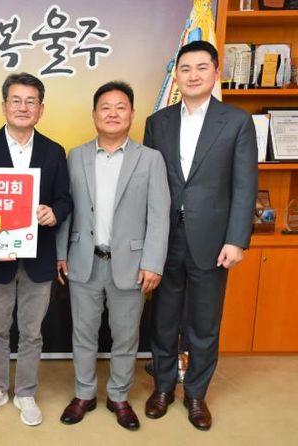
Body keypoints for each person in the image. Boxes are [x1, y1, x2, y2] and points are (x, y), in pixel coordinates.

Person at [143, 40, 257, 431]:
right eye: (185, 69)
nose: (193, 75)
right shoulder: (158, 122)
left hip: (213, 239)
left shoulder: (237, 121)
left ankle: (195, 394)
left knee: (204, 323)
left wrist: (237, 239)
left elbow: (244, 185)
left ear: (216, 72)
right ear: (176, 76)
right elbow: (149, 183)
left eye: (201, 68)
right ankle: (162, 388)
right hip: (166, 237)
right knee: (163, 319)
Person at [56, 81, 170, 430]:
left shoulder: (150, 159)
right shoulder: (76, 155)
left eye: (121, 107)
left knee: (126, 337)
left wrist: (153, 262)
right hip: (84, 260)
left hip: (131, 265)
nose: (113, 114)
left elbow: (159, 215)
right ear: (94, 115)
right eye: (105, 107)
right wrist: (61, 252)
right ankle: (84, 394)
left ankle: (119, 396)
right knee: (83, 334)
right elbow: (67, 209)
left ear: (132, 114)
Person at [0, 73, 71, 426]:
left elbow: (65, 199)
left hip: (38, 258)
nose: (23, 107)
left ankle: (26, 392)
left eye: (31, 101)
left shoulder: (54, 151)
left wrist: (54, 212)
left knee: (32, 332)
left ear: (41, 109)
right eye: (16, 100)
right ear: (4, 106)